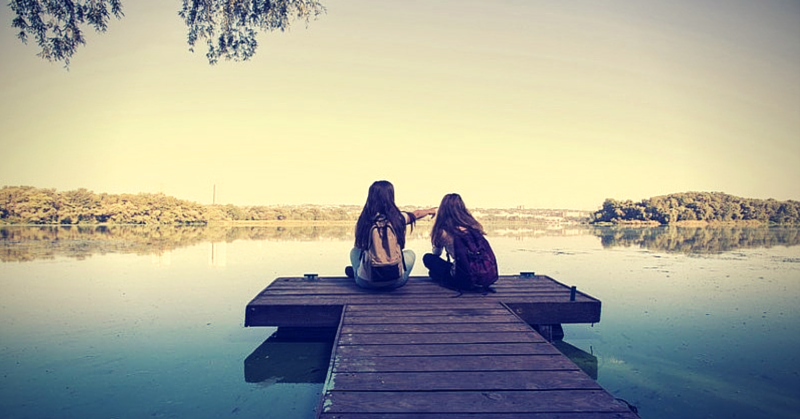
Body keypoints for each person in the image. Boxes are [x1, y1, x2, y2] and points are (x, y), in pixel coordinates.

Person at [346, 180, 436, 289]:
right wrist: (429, 211)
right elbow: (415, 214)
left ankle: (357, 273)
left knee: (354, 252)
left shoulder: (364, 221)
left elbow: (359, 247)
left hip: (366, 283)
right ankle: (362, 273)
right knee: (410, 254)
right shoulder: (398, 219)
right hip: (395, 281)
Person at [423, 193, 496, 289]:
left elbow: (436, 253)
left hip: (462, 278)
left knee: (428, 258)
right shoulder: (473, 226)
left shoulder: (443, 231)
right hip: (484, 275)